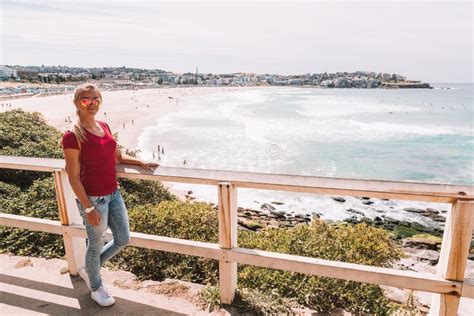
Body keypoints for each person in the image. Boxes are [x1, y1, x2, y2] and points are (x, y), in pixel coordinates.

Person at [62, 83, 159, 307]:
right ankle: (96, 287)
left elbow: (118, 156)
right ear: (77, 103)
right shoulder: (72, 136)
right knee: (95, 245)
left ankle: (90, 269)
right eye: (86, 99)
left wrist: (141, 162)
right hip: (94, 199)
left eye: (96, 99)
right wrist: (88, 207)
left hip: (113, 193)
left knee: (123, 238)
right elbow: (73, 176)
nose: (92, 103)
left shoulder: (103, 126)